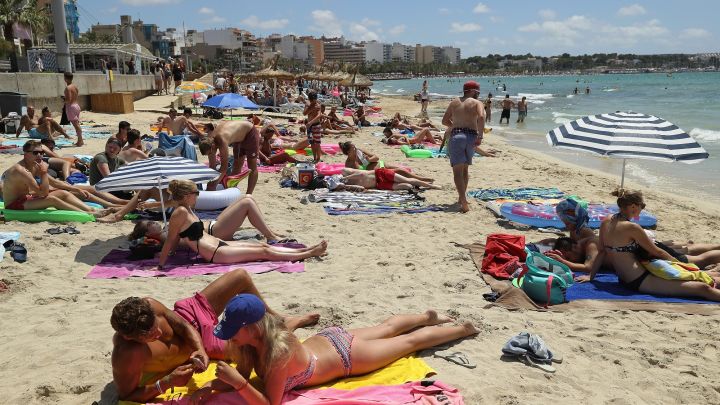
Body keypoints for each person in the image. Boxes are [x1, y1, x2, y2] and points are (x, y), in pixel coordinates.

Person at [190, 294, 479, 405]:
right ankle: (426, 317)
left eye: (232, 330)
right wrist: (211, 387)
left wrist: (238, 384)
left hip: (346, 357)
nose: (229, 337)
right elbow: (241, 373)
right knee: (387, 327)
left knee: (408, 343)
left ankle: (463, 329)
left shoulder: (277, 354)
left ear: (251, 329)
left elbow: (270, 403)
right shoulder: (253, 340)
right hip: (328, 339)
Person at [110, 270, 320, 402]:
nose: (157, 333)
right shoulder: (126, 354)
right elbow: (127, 395)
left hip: (191, 315)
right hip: (208, 340)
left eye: (156, 325)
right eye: (149, 335)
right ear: (130, 338)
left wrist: (199, 349)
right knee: (257, 341)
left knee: (240, 277)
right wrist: (166, 383)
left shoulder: (149, 305)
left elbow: (182, 324)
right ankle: (289, 324)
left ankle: (277, 318)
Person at [150, 180, 327, 269]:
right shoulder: (180, 213)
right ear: (187, 196)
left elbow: (175, 230)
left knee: (262, 246)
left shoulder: (186, 208)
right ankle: (310, 253)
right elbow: (171, 240)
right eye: (196, 193)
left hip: (219, 244)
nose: (198, 195)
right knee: (264, 252)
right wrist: (161, 265)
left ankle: (305, 250)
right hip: (216, 253)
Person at [578, 189, 720, 300]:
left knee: (705, 278)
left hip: (626, 279)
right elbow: (658, 252)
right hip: (640, 280)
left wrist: (591, 276)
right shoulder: (631, 227)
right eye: (643, 206)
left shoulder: (607, 221)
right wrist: (681, 266)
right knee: (702, 288)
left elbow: (602, 251)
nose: (643, 209)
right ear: (633, 206)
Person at [1, 141, 113, 216]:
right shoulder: (21, 170)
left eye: (41, 152)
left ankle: (91, 209)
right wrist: (43, 173)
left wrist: (76, 189)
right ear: (25, 154)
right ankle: (88, 214)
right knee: (52, 200)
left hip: (25, 198)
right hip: (13, 205)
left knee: (63, 192)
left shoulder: (35, 165)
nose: (39, 155)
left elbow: (54, 182)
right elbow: (43, 193)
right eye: (35, 153)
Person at [441, 81, 485, 213]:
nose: (478, 94)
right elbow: (481, 117)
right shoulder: (477, 103)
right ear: (473, 91)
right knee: (465, 169)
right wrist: (480, 136)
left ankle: (463, 200)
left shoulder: (454, 102)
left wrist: (455, 125)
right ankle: (462, 199)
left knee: (457, 171)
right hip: (471, 136)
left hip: (457, 136)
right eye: (477, 92)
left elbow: (444, 121)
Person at [200, 121, 259, 194]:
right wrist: (211, 181)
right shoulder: (208, 141)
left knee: (252, 167)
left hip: (249, 133)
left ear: (213, 146)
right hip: (238, 137)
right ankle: (232, 189)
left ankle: (249, 194)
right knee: (237, 165)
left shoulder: (221, 140)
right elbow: (212, 166)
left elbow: (224, 168)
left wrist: (214, 184)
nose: (210, 155)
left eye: (210, 153)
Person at [339, 141, 435, 181]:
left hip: (381, 164)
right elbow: (356, 176)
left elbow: (376, 157)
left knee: (401, 170)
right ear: (348, 152)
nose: (356, 148)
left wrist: (369, 159)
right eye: (353, 148)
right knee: (400, 171)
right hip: (378, 172)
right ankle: (422, 179)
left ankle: (419, 178)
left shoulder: (360, 152)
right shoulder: (349, 164)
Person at [331, 167, 439, 191]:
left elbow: (361, 174)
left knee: (407, 180)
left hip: (380, 174)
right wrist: (346, 185)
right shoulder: (346, 187)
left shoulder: (345, 172)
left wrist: (346, 178)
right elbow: (361, 188)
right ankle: (418, 185)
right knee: (407, 186)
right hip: (379, 185)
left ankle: (432, 186)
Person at [303, 91, 323, 164]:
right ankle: (315, 158)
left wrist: (310, 122)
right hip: (310, 126)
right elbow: (304, 113)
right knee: (312, 142)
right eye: (311, 100)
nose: (313, 101)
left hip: (316, 125)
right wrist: (312, 108)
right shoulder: (308, 104)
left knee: (317, 143)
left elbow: (319, 115)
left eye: (314, 100)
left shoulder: (318, 104)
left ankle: (318, 158)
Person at [63, 72, 83, 146]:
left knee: (76, 125)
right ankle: (80, 140)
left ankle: (80, 140)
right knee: (76, 124)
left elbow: (69, 99)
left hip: (71, 107)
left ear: (65, 78)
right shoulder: (75, 87)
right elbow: (75, 96)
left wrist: (63, 100)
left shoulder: (68, 88)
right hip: (76, 105)